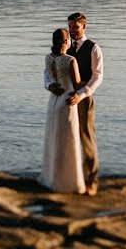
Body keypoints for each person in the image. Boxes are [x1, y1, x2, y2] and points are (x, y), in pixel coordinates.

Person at [44, 12, 103, 195]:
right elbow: (47, 72)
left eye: (75, 27)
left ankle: (91, 180)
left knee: (86, 138)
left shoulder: (94, 48)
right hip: (63, 100)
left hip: (83, 99)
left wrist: (82, 94)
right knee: (64, 138)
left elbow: (97, 76)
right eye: (69, 27)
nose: (72, 30)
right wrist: (49, 85)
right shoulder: (64, 46)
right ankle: (64, 175)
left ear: (84, 26)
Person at [40, 28, 86, 194]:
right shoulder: (71, 60)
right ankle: (69, 182)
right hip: (67, 102)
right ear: (67, 42)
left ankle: (52, 177)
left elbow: (49, 77)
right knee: (68, 141)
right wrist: (89, 83)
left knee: (54, 139)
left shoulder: (48, 58)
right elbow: (77, 83)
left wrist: (52, 85)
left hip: (53, 102)